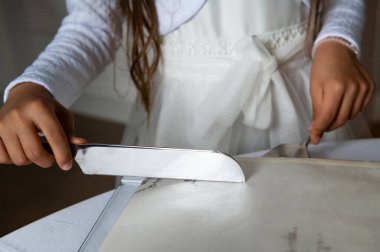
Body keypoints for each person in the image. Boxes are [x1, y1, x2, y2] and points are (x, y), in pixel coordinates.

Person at [0, 0, 375, 171]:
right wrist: (34, 86)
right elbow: (92, 26)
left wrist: (337, 42)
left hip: (299, 98)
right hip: (185, 116)